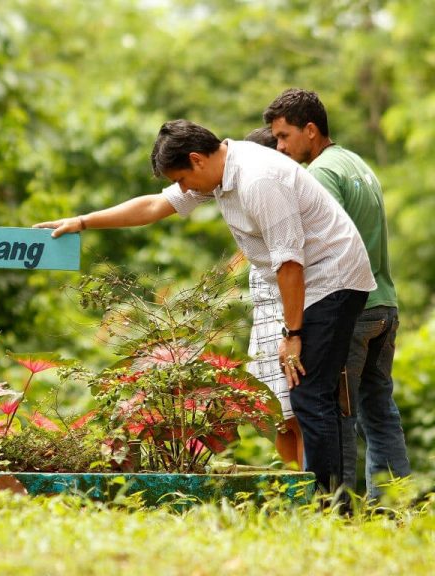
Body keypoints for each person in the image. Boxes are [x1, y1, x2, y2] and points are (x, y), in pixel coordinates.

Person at [35, 119, 376, 494]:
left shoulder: (257, 180)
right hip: (307, 282)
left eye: (181, 179)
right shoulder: (220, 172)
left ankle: (329, 506)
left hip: (332, 279)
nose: (181, 189)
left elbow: (290, 262)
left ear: (197, 160)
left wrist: (292, 334)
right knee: (304, 396)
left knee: (310, 395)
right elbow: (153, 206)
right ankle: (324, 502)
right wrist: (82, 221)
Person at [264, 88, 411, 500]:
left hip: (352, 309)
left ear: (310, 130)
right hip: (385, 304)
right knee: (379, 412)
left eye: (284, 136)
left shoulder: (321, 174)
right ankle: (394, 508)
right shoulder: (355, 163)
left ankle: (337, 509)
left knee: (336, 412)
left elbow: (318, 250)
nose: (280, 147)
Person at [243, 126, 303, 469]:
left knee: (298, 417)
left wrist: (290, 333)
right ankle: (293, 494)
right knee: (278, 419)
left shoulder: (284, 194)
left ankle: (311, 498)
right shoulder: (253, 196)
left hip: (286, 321)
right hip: (263, 321)